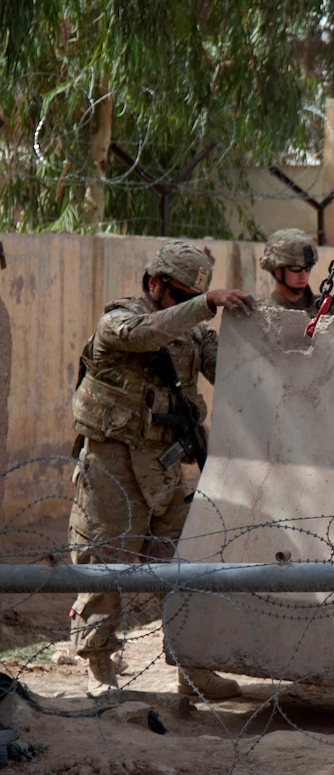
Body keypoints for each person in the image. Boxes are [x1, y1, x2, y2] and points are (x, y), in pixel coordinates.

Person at [69, 239, 256, 699]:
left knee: (183, 568)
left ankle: (194, 667)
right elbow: (142, 334)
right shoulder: (120, 319)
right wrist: (203, 304)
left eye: (192, 298)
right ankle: (99, 661)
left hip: (165, 469)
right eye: (179, 295)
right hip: (114, 464)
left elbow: (237, 371)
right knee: (106, 563)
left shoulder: (192, 333)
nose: (187, 306)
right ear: (154, 283)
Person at [258, 228, 334, 315]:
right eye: (296, 268)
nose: (303, 274)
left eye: (307, 268)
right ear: (276, 268)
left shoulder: (325, 308)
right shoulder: (261, 312)